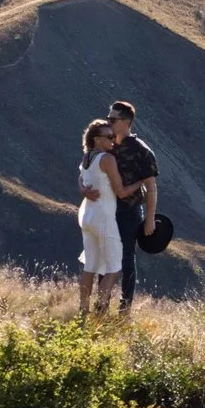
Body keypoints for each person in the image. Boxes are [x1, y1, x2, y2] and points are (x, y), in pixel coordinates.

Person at [107, 99, 159, 314]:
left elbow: (151, 188)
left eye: (113, 119)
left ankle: (124, 308)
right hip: (105, 210)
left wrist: (149, 219)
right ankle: (102, 303)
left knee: (127, 257)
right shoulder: (105, 144)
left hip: (128, 211)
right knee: (106, 256)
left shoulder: (141, 151)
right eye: (108, 117)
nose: (108, 121)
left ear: (126, 122)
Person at [75, 118, 127, 318]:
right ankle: (100, 309)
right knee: (114, 266)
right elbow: (120, 191)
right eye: (109, 137)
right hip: (103, 216)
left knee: (90, 265)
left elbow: (80, 178)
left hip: (87, 214)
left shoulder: (87, 157)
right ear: (97, 139)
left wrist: (82, 189)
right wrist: (142, 182)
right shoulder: (107, 159)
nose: (113, 140)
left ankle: (83, 310)